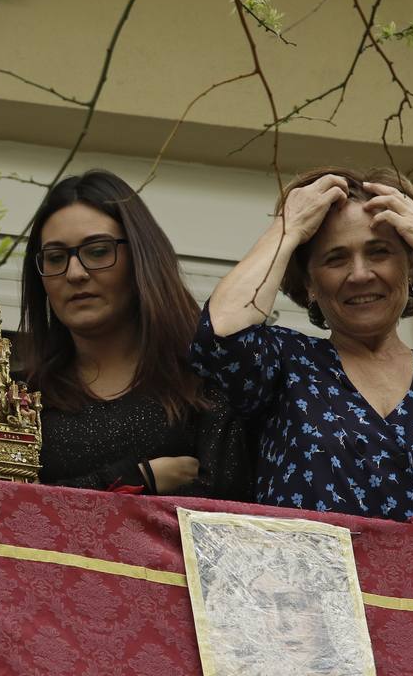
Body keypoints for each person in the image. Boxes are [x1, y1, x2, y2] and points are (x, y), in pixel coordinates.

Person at [192, 167, 413, 528]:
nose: (360, 274)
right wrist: (288, 230)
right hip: (314, 585)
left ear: (411, 265)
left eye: (379, 252)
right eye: (336, 258)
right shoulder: (285, 365)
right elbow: (219, 335)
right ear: (309, 283)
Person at [22, 170, 251, 499]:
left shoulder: (205, 379)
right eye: (56, 258)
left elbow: (231, 509)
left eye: (98, 251)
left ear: (141, 258)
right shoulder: (20, 399)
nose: (74, 273)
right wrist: (135, 478)